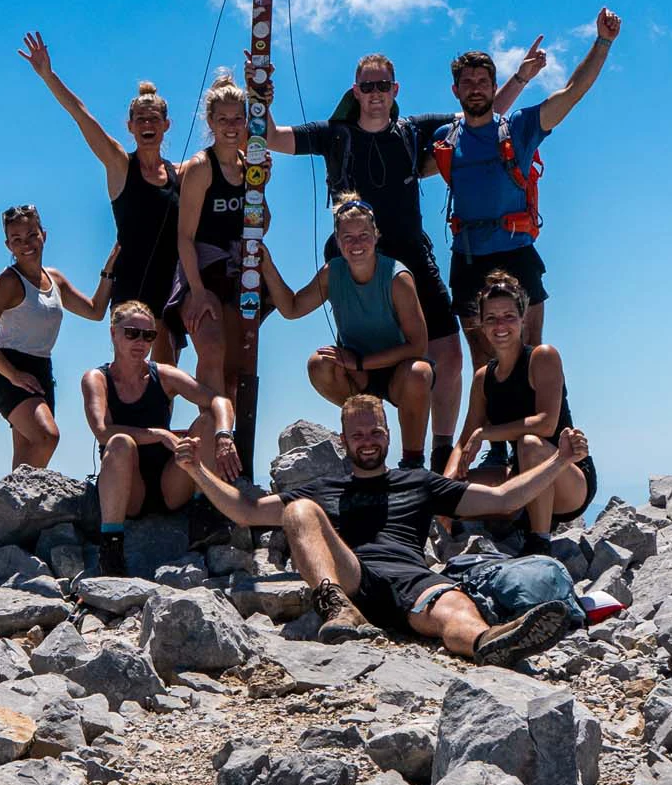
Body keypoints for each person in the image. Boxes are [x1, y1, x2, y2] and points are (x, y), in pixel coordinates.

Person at [175, 393, 591, 666]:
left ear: (388, 434)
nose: (368, 441)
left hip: (413, 579)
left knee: (455, 608)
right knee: (299, 511)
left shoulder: (419, 482)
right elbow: (246, 512)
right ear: (343, 441)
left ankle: (489, 642)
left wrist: (559, 462)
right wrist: (196, 470)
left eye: (375, 432)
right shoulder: (324, 488)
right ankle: (337, 608)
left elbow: (502, 500)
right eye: (358, 435)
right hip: (353, 579)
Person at [265, 52, 466, 465]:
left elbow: (480, 117)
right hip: (353, 261)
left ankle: (440, 455)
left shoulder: (413, 130)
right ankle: (370, 431)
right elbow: (273, 138)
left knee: (447, 354)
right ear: (355, 91)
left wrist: (519, 79)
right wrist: (259, 96)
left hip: (410, 257)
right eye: (367, 86)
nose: (375, 94)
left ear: (395, 90)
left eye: (383, 86)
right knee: (332, 362)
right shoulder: (334, 135)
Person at [423, 9, 620, 358]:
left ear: (493, 87)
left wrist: (602, 42)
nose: (475, 89)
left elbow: (571, 93)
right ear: (455, 90)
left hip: (517, 254)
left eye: (482, 82)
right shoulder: (444, 139)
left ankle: (547, 398)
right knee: (483, 364)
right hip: (467, 258)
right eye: (467, 83)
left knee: (530, 356)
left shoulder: (518, 129)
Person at [19, 32, 186, 361]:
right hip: (130, 286)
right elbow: (82, 116)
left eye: (154, 119)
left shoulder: (182, 173)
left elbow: (222, 158)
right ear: (130, 126)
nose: (147, 124)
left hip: (170, 286)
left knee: (166, 376)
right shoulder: (120, 165)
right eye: (141, 119)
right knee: (131, 372)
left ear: (167, 125)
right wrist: (48, 76)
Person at [265, 193, 435, 466]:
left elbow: (418, 346)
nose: (356, 244)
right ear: (338, 240)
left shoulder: (397, 277)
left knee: (420, 373)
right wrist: (266, 264)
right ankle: (365, 436)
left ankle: (412, 462)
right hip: (358, 373)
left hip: (397, 369)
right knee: (319, 364)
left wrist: (361, 362)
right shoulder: (333, 273)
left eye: (363, 235)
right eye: (348, 237)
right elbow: (292, 308)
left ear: (376, 235)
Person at [80, 299, 241, 575]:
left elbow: (219, 401)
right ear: (114, 333)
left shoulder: (162, 375)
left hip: (169, 485)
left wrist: (224, 435)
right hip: (128, 489)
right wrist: (159, 435)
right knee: (120, 442)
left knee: (208, 420)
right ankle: (111, 548)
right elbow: (102, 431)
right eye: (132, 333)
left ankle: (204, 516)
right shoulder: (97, 379)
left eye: (148, 336)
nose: (140, 342)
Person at [444, 271, 600, 553]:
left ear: (522, 318)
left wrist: (487, 433)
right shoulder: (483, 378)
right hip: (522, 475)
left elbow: (546, 424)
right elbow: (464, 441)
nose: (500, 325)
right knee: (448, 494)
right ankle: (513, 520)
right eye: (491, 318)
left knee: (529, 444)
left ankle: (539, 541)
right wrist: (445, 486)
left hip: (566, 474)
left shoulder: (542, 356)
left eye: (508, 316)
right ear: (481, 324)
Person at [0, 204, 108, 469]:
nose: (26, 244)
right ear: (8, 246)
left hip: (42, 370)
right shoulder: (9, 281)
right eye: (17, 239)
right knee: (47, 436)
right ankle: (13, 494)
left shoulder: (55, 279)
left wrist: (110, 268)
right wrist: (13, 375)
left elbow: (95, 310)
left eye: (32, 235)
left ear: (44, 234)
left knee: (27, 462)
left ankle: (16, 497)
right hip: (9, 371)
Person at [173, 70, 258, 399]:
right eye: (223, 119)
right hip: (201, 270)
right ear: (210, 121)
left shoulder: (249, 167)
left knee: (235, 368)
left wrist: (261, 184)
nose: (231, 126)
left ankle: (229, 427)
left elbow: (261, 223)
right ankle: (213, 423)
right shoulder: (201, 167)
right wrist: (197, 291)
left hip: (239, 271)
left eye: (238, 119)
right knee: (211, 348)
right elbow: (184, 236)